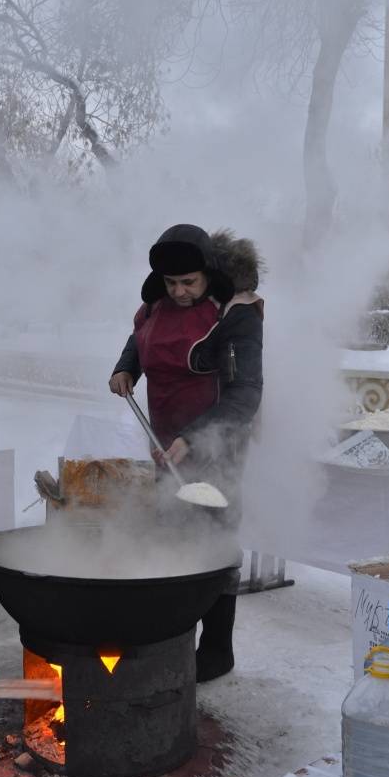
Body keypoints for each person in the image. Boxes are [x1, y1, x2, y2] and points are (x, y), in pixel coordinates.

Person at [109, 224, 264, 682]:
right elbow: (140, 339)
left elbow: (245, 396)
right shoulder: (156, 302)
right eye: (172, 283)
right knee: (170, 532)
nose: (179, 291)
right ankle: (173, 636)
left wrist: (194, 439)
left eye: (189, 282)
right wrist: (125, 368)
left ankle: (217, 650)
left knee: (213, 542)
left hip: (219, 444)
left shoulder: (235, 315)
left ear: (209, 274)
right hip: (166, 441)